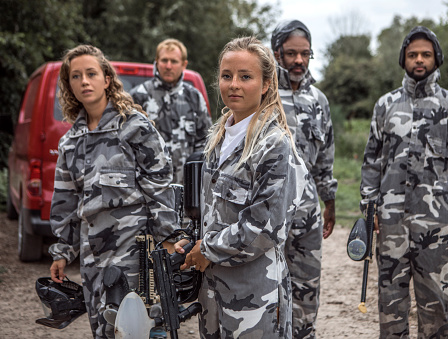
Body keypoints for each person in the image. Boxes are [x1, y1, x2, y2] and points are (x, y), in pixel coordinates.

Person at [360, 26, 448, 338]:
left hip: (438, 225)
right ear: (403, 60)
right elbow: (372, 162)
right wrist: (368, 210)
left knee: (437, 307)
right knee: (391, 305)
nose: (419, 60)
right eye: (412, 54)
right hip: (391, 224)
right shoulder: (385, 106)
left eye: (425, 55)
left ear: (436, 59)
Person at [176, 36, 308, 338]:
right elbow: (211, 211)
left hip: (254, 297)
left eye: (245, 77)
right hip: (212, 292)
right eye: (226, 76)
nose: (233, 84)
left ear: (265, 84)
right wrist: (189, 241)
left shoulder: (273, 144)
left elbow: (265, 229)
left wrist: (206, 250)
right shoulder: (219, 137)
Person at [48, 44, 178, 339]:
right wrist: (62, 252)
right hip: (91, 257)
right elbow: (67, 202)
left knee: (137, 331)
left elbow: (159, 184)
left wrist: (168, 238)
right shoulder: (71, 141)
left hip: (133, 253)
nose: (84, 81)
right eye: (76, 76)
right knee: (103, 330)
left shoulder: (133, 127)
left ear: (106, 78)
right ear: (69, 85)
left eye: (91, 73)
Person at [271, 20, 337, 338]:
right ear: (277, 53)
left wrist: (330, 201)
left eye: (305, 54)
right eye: (292, 53)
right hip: (267, 207)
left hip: (308, 209)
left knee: (307, 284)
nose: (299, 60)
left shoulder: (319, 101)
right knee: (267, 284)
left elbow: (325, 157)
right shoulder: (262, 95)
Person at [130, 38, 212, 185]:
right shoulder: (139, 96)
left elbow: (205, 141)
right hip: (150, 186)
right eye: (164, 60)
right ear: (156, 62)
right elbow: (128, 143)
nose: (168, 66)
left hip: (187, 186)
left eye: (174, 61)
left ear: (183, 64)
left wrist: (196, 175)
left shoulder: (194, 97)